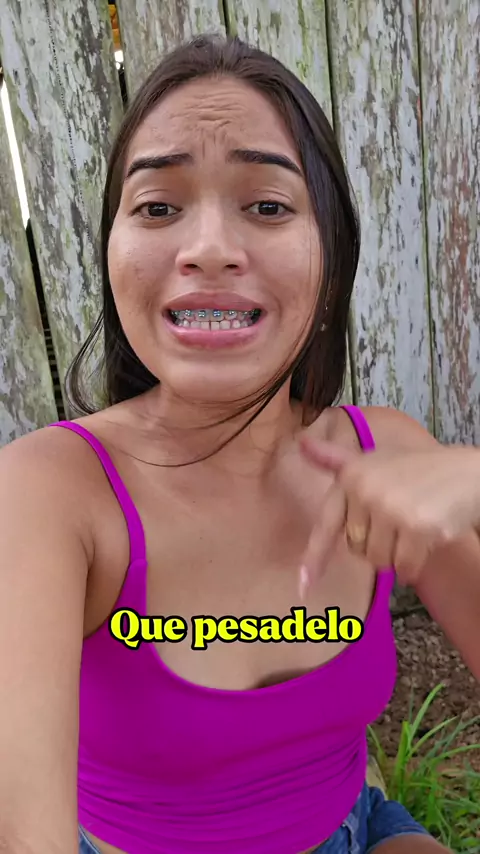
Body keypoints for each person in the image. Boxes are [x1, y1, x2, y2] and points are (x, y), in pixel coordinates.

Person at [0, 33, 479, 854]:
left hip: (356, 827)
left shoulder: (385, 452)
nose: (211, 248)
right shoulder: (49, 493)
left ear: (331, 258)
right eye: (158, 207)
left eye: (268, 206)